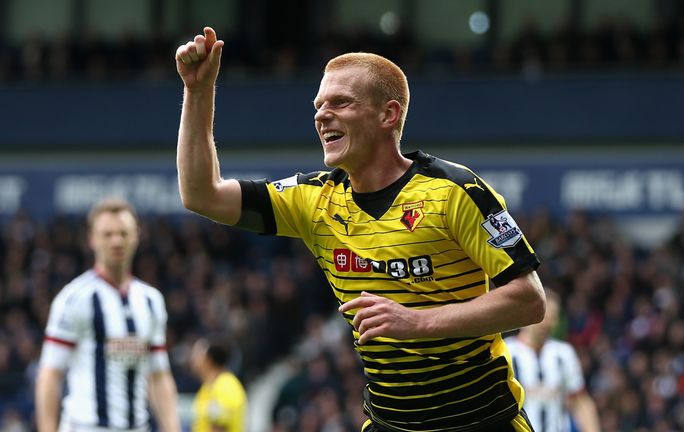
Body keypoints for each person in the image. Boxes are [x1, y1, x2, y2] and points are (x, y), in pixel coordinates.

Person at [175, 27, 546, 432]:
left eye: (340, 102)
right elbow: (201, 195)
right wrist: (198, 92)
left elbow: (529, 300)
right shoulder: (312, 198)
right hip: (388, 424)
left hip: (483, 421)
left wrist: (417, 322)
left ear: (388, 114)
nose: (321, 114)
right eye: (318, 105)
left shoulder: (457, 192)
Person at [35, 198, 180, 432]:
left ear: (137, 236)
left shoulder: (151, 300)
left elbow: (159, 375)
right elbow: (50, 375)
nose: (116, 241)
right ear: (92, 239)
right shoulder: (74, 298)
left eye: (123, 233)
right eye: (108, 234)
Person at [504, 289, 601, 432]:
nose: (548, 322)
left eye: (553, 317)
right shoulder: (507, 352)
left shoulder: (563, 354)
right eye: (544, 315)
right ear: (529, 314)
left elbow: (580, 402)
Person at [189, 337, 247, 432]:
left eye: (197, 355)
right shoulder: (208, 387)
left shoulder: (226, 386)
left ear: (209, 359)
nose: (192, 359)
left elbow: (220, 426)